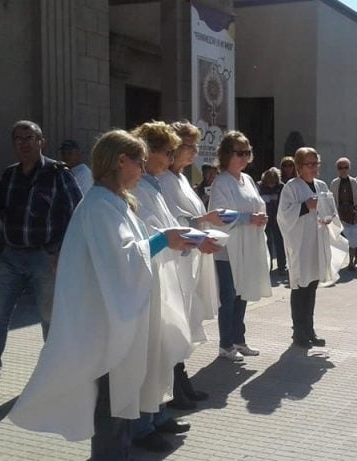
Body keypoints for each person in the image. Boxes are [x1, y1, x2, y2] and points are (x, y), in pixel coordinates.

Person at [8, 129, 197, 460]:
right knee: (111, 403)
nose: (142, 169)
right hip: (106, 323)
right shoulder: (98, 206)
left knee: (120, 399)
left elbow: (132, 251)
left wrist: (169, 240)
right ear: (121, 161)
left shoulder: (115, 202)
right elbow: (121, 260)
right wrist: (163, 239)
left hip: (119, 317)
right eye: (138, 161)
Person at [0, 120, 82, 399]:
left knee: (50, 320)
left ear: (41, 142)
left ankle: (57, 380)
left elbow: (77, 214)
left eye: (29, 138)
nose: (24, 144)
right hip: (11, 256)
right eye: (18, 139)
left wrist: (61, 252)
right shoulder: (10, 174)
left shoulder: (57, 173)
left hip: (45, 256)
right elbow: (4, 209)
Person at [131, 121, 213, 452]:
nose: (170, 157)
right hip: (150, 280)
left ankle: (158, 413)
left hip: (167, 274)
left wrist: (188, 237)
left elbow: (167, 226)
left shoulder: (153, 184)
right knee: (150, 353)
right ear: (148, 152)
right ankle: (142, 425)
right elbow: (148, 233)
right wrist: (180, 237)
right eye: (167, 151)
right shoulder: (138, 188)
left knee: (162, 350)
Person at [161, 120, 226, 410]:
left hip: (189, 260)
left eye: (195, 146)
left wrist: (206, 220)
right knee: (173, 325)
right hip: (173, 263)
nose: (194, 151)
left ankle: (181, 382)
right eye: (189, 145)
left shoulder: (181, 178)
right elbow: (170, 222)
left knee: (184, 323)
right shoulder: (161, 179)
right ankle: (175, 388)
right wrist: (201, 224)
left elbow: (189, 216)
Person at [208, 130, 272, 361]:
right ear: (226, 154)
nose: (244, 157)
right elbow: (219, 214)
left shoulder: (248, 180)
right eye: (239, 152)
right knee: (229, 296)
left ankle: (238, 339)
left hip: (248, 246)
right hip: (228, 250)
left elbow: (257, 205)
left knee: (242, 293)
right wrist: (247, 219)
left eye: (247, 152)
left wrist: (260, 217)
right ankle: (225, 345)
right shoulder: (221, 181)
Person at [277, 147, 347, 348]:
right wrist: (306, 205)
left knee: (312, 286)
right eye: (309, 164)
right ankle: (298, 332)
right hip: (301, 244)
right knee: (301, 286)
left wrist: (328, 217)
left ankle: (310, 329)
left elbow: (329, 209)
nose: (314, 167)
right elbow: (283, 216)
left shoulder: (321, 184)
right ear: (299, 167)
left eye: (316, 163)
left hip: (317, 241)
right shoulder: (291, 187)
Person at [330, 157, 357, 271]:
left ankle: (351, 262)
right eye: (340, 167)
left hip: (351, 213)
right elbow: (332, 199)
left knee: (353, 239)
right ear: (337, 169)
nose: (343, 169)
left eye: (345, 167)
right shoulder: (334, 183)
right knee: (338, 240)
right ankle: (338, 262)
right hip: (339, 214)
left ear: (349, 168)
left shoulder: (353, 181)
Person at [258, 167, 286, 274]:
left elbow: (285, 200)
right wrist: (269, 198)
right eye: (269, 182)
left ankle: (282, 266)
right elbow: (257, 199)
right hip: (265, 216)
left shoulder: (281, 186)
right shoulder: (260, 186)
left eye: (274, 182)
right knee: (267, 242)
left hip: (278, 217)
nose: (271, 185)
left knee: (280, 242)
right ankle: (268, 266)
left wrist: (277, 198)